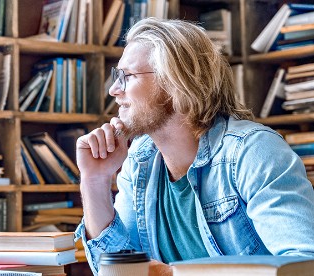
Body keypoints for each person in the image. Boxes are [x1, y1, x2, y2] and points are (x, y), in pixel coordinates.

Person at [74, 17, 314, 275]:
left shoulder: (253, 151)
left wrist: (173, 274)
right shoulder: (140, 160)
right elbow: (116, 269)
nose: (113, 90)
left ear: (175, 83)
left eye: (127, 76)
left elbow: (303, 265)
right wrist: (94, 181)